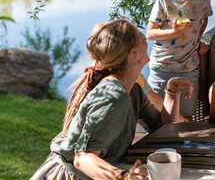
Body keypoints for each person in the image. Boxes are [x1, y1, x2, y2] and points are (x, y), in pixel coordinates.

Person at [30, 19, 193, 180]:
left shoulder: (133, 90)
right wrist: (123, 177)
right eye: (139, 35)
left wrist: (172, 91)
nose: (145, 37)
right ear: (133, 52)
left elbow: (161, 129)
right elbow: (82, 159)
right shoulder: (113, 95)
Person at [146, 0, 213, 120]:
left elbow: (203, 19)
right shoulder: (164, 0)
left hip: (190, 68)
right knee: (160, 118)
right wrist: (174, 32)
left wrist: (196, 39)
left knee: (187, 118)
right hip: (163, 68)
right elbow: (150, 34)